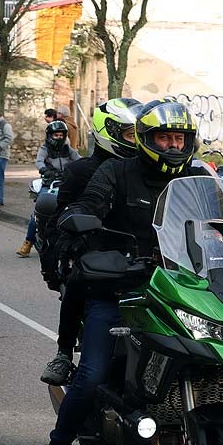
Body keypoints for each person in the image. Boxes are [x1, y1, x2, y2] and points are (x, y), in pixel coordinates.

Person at [29, 99, 210, 445]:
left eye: (180, 138)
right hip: (119, 286)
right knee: (92, 373)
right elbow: (88, 204)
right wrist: (79, 225)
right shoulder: (115, 171)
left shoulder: (197, 178)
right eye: (164, 137)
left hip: (178, 287)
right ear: (147, 140)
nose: (173, 145)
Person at [38, 97, 142, 386]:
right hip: (95, 254)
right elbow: (61, 216)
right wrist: (68, 247)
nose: (138, 141)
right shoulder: (80, 171)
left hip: (141, 254)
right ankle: (63, 352)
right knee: (77, 283)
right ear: (108, 132)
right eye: (131, 134)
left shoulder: (145, 172)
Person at [17, 120, 81, 258]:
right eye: (56, 135)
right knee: (38, 213)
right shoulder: (44, 148)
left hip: (65, 182)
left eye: (61, 135)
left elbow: (79, 159)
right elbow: (39, 161)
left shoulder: (67, 148)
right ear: (49, 136)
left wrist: (85, 166)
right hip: (49, 183)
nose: (58, 138)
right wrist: (45, 170)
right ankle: (28, 242)